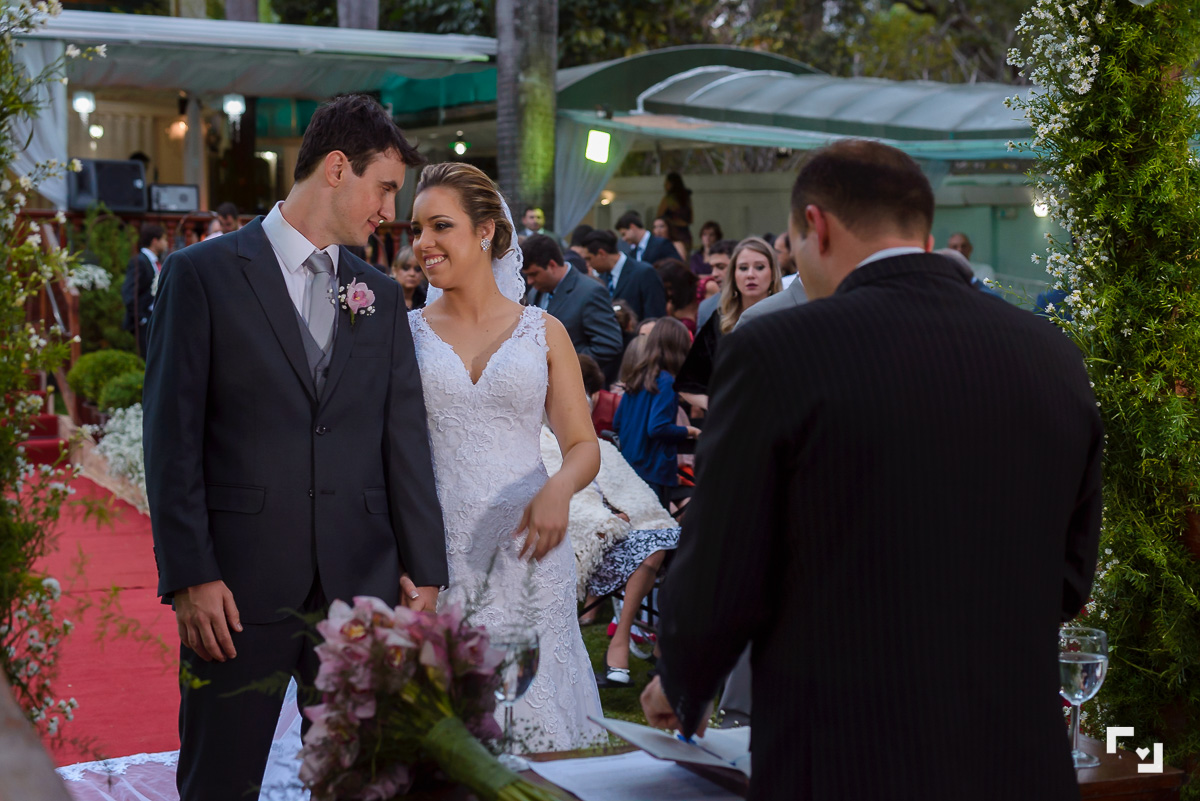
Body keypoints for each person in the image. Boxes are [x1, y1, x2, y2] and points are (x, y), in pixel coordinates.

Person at [641, 139, 1102, 801]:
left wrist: (682, 677)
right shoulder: (1051, 354)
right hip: (1017, 757)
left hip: (847, 755)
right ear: (924, 232)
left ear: (815, 226)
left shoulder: (777, 349)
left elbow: (721, 561)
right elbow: (1070, 573)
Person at [142, 94, 448, 801]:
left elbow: (403, 438)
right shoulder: (203, 275)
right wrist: (190, 574)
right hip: (235, 591)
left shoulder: (378, 294)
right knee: (220, 780)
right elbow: (171, 439)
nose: (388, 210)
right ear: (337, 168)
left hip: (360, 585)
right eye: (385, 187)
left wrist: (423, 568)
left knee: (361, 783)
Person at [407, 161, 606, 750]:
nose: (423, 244)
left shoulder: (544, 332)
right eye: (416, 230)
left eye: (440, 226)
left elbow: (582, 446)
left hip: (529, 548)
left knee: (533, 723)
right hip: (438, 553)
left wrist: (557, 489)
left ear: (487, 230)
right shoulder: (404, 332)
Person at [676, 237, 781, 411]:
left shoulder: (787, 317)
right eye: (743, 268)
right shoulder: (721, 321)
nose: (750, 274)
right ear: (734, 275)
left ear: (772, 274)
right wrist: (717, 407)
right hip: (733, 427)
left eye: (760, 267)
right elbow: (686, 384)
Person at [612, 317, 698, 510]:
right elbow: (658, 427)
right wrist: (689, 431)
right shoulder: (667, 382)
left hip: (630, 467)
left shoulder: (637, 377)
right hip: (654, 469)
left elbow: (617, 422)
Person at [522, 234, 623, 375]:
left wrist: (564, 364)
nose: (530, 281)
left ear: (552, 265)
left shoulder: (590, 292)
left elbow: (608, 345)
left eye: (534, 274)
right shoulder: (536, 292)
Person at [581, 229, 667, 323]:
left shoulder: (644, 273)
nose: (587, 264)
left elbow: (655, 316)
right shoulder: (601, 279)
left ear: (602, 253)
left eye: (589, 259)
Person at [122, 223, 167, 358]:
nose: (166, 243)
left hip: (154, 318)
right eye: (164, 239)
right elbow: (128, 292)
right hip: (144, 322)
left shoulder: (155, 262)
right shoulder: (139, 261)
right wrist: (141, 318)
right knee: (148, 358)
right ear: (155, 241)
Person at [695, 238, 736, 329]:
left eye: (721, 267)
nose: (714, 274)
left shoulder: (759, 302)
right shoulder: (706, 307)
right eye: (712, 268)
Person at [655, 259, 699, 334]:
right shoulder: (670, 307)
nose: (669, 293)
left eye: (671, 288)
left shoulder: (703, 290)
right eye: (666, 289)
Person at [656, 172, 694, 253]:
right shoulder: (687, 199)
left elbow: (658, 217)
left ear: (672, 184)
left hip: (674, 236)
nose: (664, 185)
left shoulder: (668, 199)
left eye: (666, 183)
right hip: (684, 235)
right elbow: (690, 220)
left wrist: (671, 222)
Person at [390, 244, 427, 310]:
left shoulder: (427, 301)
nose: (412, 274)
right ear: (394, 270)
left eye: (417, 269)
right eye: (406, 268)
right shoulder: (383, 296)